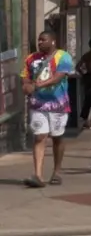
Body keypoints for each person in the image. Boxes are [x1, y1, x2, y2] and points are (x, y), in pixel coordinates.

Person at [21, 30, 75, 188]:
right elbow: (25, 76)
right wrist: (26, 85)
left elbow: (58, 77)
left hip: (58, 105)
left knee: (57, 137)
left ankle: (57, 171)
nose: (39, 42)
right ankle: (38, 175)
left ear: (53, 41)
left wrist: (37, 86)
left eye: (43, 40)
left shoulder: (63, 56)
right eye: (38, 40)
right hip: (38, 104)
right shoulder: (31, 58)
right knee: (39, 137)